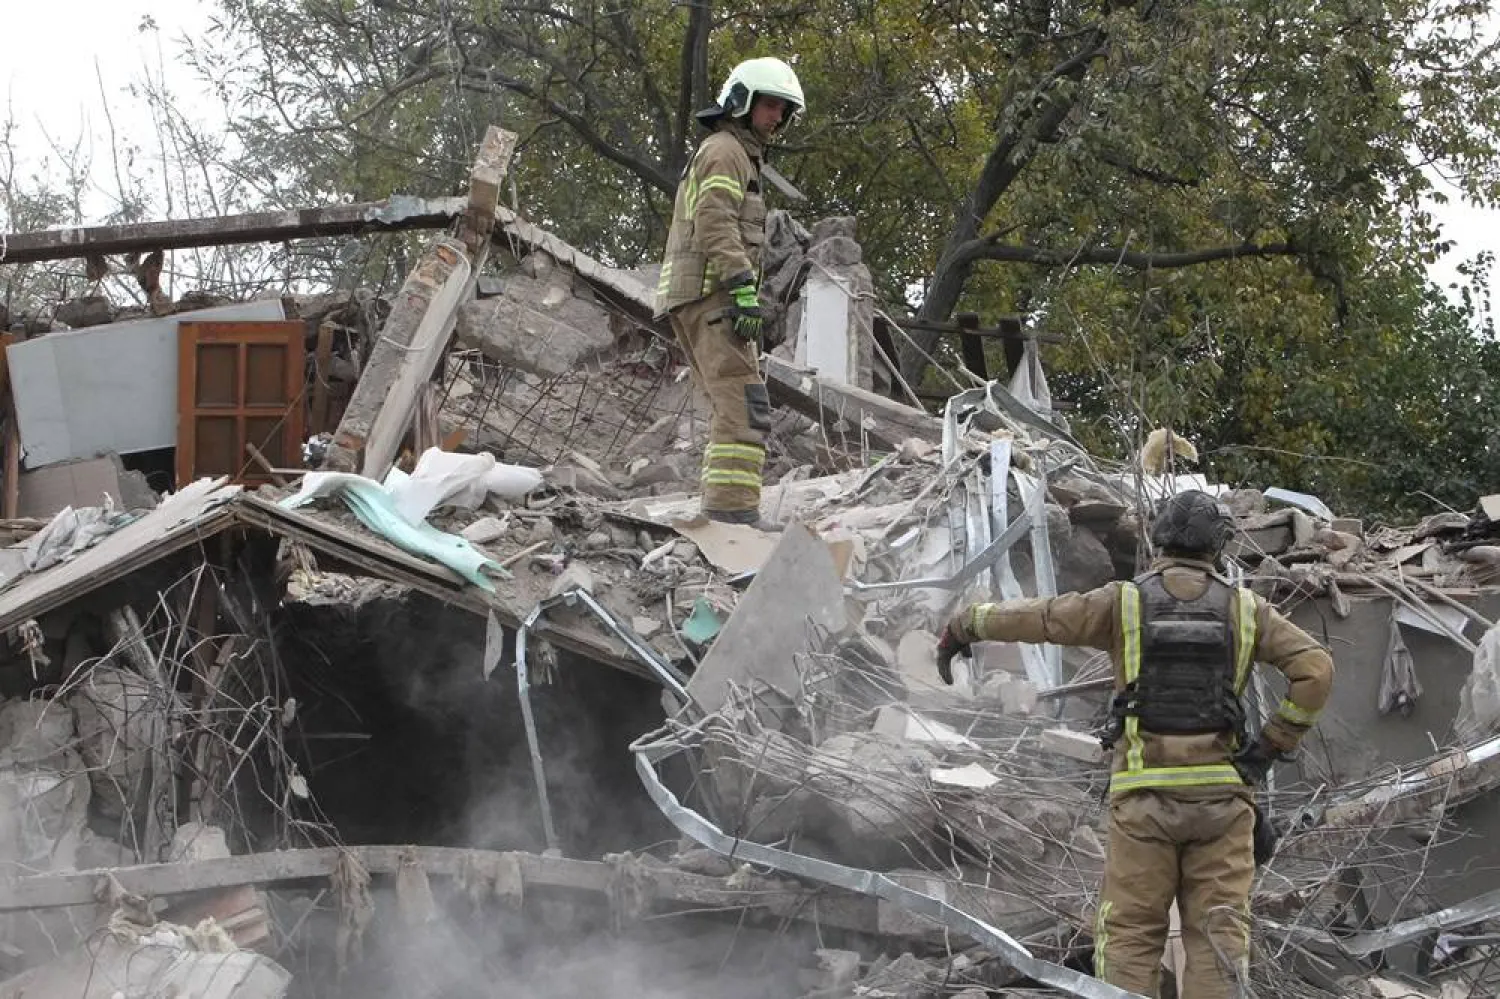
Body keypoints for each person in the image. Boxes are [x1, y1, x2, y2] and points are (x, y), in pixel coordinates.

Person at [935, 490, 1334, 998]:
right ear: (1218, 547)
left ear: (1157, 538)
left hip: (1143, 801)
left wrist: (965, 626)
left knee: (1130, 936)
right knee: (1218, 940)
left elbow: (1044, 616)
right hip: (1223, 802)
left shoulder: (1122, 602)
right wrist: (1269, 747)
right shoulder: (1248, 610)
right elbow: (1316, 670)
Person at [654, 57, 805, 529]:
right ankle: (731, 517)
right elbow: (715, 223)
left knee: (731, 401)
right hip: (713, 292)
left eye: (783, 110)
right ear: (742, 102)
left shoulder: (735, 152)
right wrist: (743, 291)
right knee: (744, 402)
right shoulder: (725, 151)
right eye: (770, 106)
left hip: (700, 292)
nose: (777, 118)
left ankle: (725, 510)